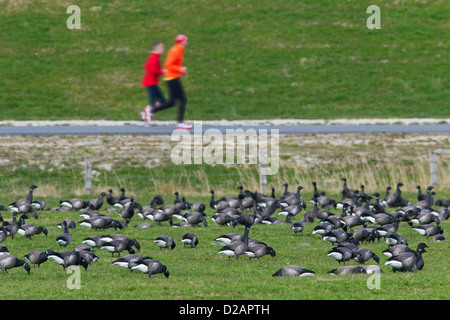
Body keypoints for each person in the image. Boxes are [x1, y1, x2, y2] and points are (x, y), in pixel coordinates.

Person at [148, 34, 192, 129]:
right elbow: (168, 65)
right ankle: (180, 122)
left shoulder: (178, 49)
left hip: (172, 78)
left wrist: (181, 72)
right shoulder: (177, 50)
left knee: (172, 102)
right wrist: (181, 69)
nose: (187, 43)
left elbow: (173, 65)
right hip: (172, 79)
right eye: (186, 41)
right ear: (183, 42)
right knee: (183, 99)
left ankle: (151, 111)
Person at [141, 41, 166, 126]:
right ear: (158, 48)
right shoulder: (154, 58)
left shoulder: (153, 57)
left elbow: (146, 67)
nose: (163, 49)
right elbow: (152, 70)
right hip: (151, 82)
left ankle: (145, 116)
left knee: (159, 102)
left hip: (151, 82)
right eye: (162, 47)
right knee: (156, 102)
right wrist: (162, 71)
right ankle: (147, 115)